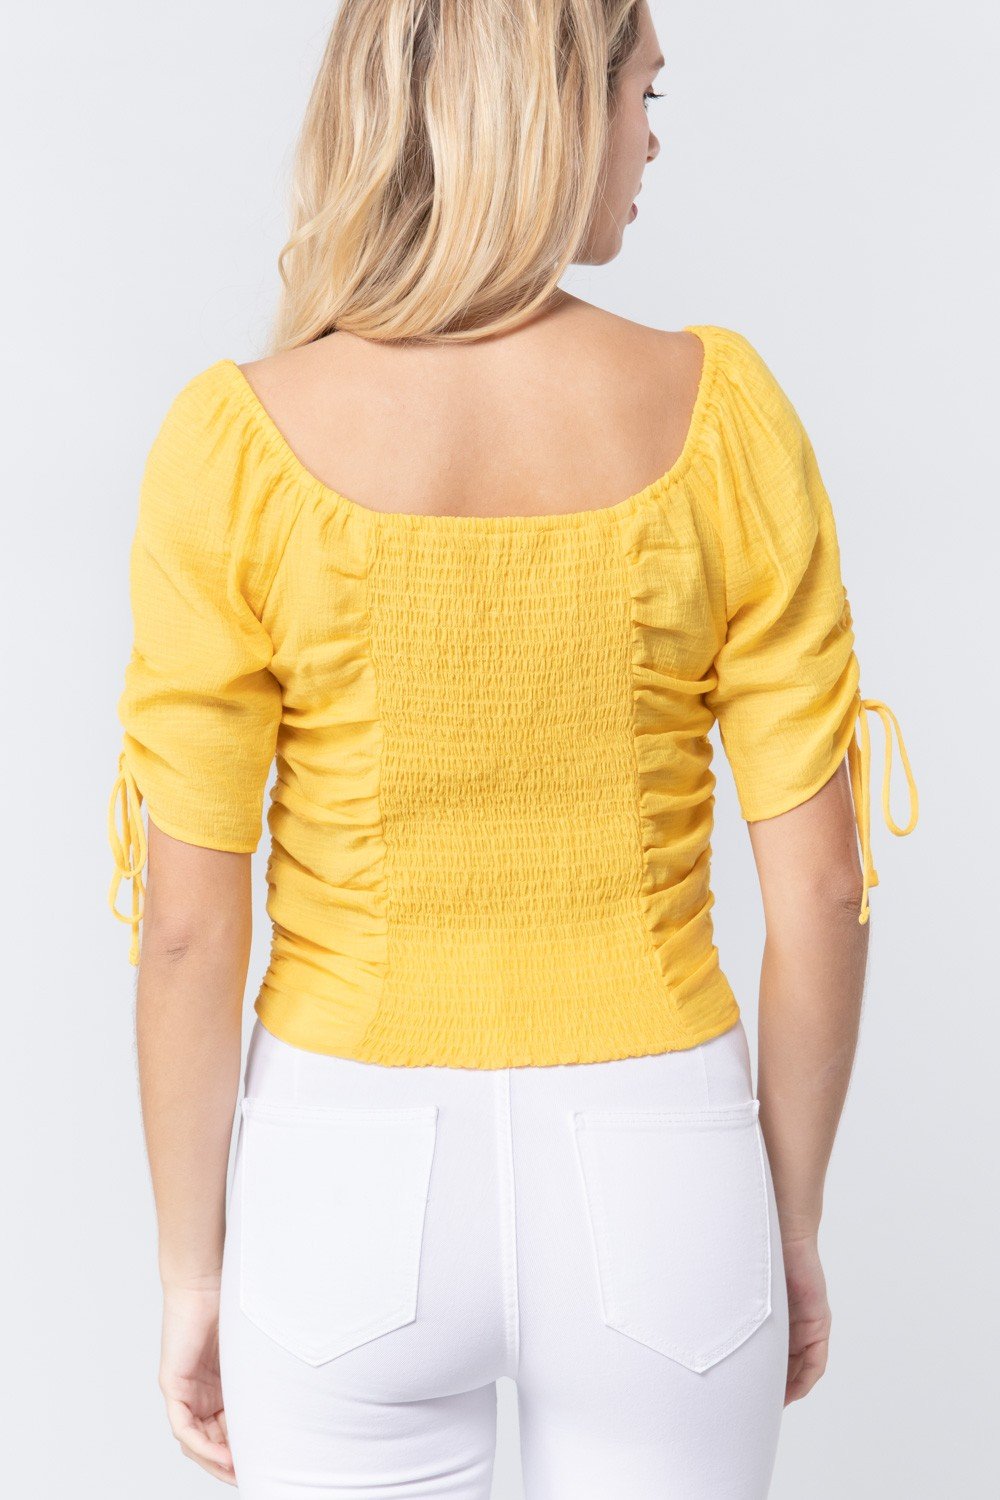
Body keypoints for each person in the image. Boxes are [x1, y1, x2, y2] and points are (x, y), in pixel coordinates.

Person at [106, 1, 919, 1495]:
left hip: (343, 1169)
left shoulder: (235, 444)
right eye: (641, 95)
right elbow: (818, 890)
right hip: (661, 1164)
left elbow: (184, 929)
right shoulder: (726, 418)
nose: (652, 140)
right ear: (552, 106)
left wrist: (190, 1272)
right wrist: (789, 1220)